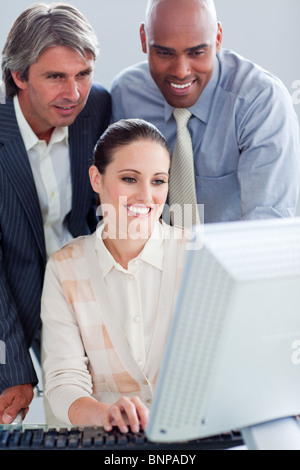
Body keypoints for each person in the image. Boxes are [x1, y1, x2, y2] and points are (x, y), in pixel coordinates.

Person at [41, 119, 190, 432]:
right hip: (106, 440)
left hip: (190, 434)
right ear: (97, 178)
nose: (146, 196)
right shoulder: (65, 267)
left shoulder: (198, 256)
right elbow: (63, 380)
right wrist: (104, 414)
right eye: (129, 179)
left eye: (158, 181)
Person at [0, 3, 111, 424]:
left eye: (83, 74)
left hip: (87, 291)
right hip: (15, 297)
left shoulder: (96, 108)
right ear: (19, 76)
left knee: (106, 424)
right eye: (55, 77)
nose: (74, 93)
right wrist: (10, 366)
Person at [111, 0, 300, 225]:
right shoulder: (127, 95)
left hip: (235, 256)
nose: (181, 71)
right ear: (144, 39)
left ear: (218, 38)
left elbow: (266, 228)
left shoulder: (260, 101)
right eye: (164, 53)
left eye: (197, 52)